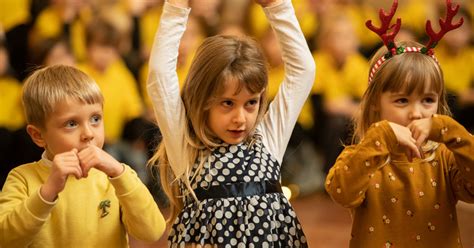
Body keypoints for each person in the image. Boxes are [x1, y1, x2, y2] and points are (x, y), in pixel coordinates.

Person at [147, 0, 315, 246]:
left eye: (251, 103)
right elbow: (160, 75)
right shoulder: (186, 146)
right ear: (202, 100)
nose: (240, 118)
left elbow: (304, 71)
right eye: (227, 103)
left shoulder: (267, 138)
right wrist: (177, 7)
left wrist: (277, 6)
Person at [325, 1, 474, 247]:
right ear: (375, 104)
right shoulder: (364, 155)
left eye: (427, 100)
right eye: (402, 100)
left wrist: (448, 130)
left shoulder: (445, 157)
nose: (416, 112)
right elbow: (341, 192)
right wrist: (380, 136)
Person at [0, 65, 165, 247]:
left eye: (95, 119)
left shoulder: (115, 178)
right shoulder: (22, 179)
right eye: (71, 123)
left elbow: (153, 231)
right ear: (38, 135)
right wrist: (47, 192)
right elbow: (6, 240)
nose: (88, 133)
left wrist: (120, 172)